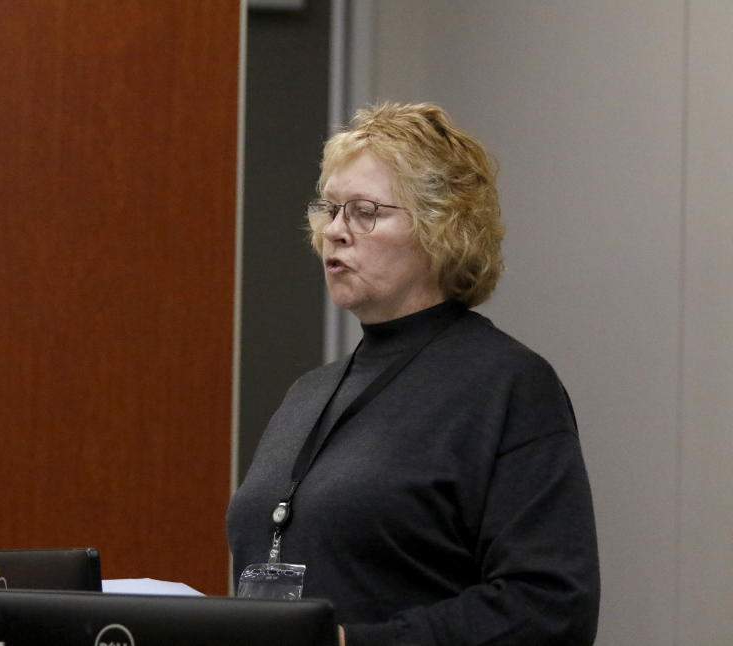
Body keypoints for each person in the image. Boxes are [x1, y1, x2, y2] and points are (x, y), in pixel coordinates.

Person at [227, 102, 600, 646]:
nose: (334, 231)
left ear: (441, 226)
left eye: (363, 211)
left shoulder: (507, 386)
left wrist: (352, 644)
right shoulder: (306, 395)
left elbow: (550, 608)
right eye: (328, 209)